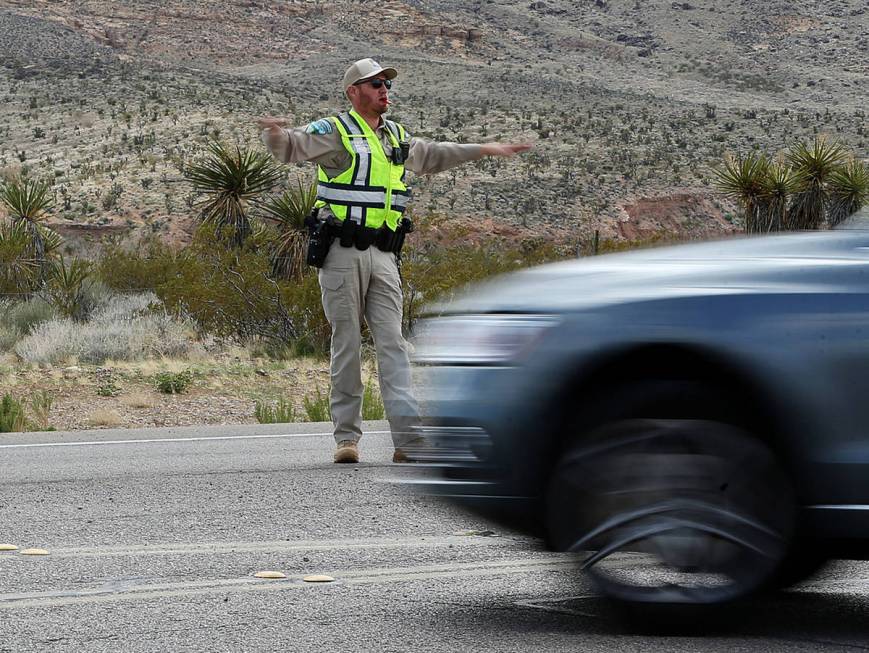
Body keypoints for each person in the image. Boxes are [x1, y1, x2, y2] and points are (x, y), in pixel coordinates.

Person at [257, 57, 532, 464]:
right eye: (374, 84)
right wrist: (275, 133)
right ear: (353, 92)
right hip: (342, 252)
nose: (384, 90)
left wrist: (486, 149)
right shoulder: (335, 132)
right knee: (346, 343)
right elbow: (292, 148)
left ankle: (408, 440)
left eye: (386, 83)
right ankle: (346, 439)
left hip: (384, 254)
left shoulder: (396, 138)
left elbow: (435, 154)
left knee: (394, 346)